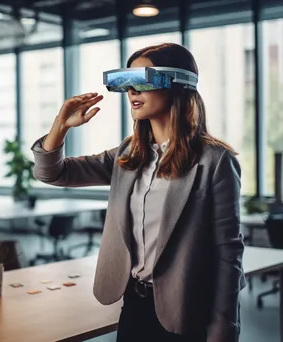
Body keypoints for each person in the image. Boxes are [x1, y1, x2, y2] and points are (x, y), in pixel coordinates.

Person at [31, 43, 247, 342]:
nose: (132, 91)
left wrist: (225, 329)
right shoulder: (128, 154)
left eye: (143, 80)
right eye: (127, 82)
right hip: (134, 304)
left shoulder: (215, 160)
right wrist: (61, 126)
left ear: (178, 84)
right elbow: (51, 173)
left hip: (188, 309)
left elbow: (228, 252)